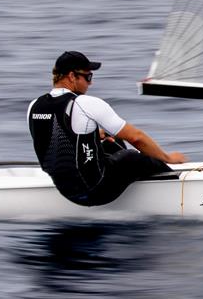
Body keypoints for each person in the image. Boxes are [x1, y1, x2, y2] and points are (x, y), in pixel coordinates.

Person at [28, 51, 187, 206]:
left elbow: (60, 139)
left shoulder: (34, 106)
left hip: (67, 190)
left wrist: (96, 135)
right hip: (97, 190)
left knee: (112, 141)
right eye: (88, 77)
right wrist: (167, 158)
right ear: (71, 76)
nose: (90, 83)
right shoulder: (85, 103)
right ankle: (173, 180)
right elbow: (136, 138)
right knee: (132, 157)